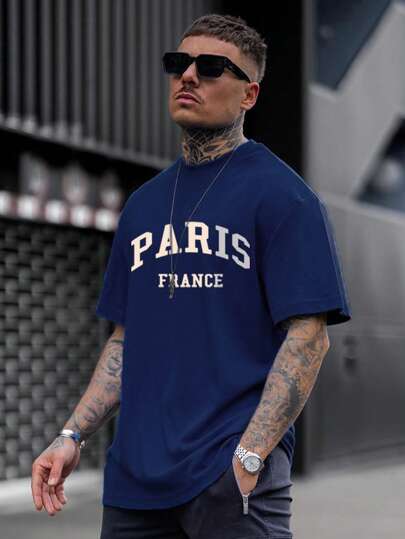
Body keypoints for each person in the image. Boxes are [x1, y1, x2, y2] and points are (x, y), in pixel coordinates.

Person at [31, 13, 352, 538]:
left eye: (210, 67)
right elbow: (124, 341)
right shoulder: (142, 206)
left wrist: (249, 457)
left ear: (249, 95)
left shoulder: (284, 197)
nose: (188, 76)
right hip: (134, 482)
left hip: (227, 479)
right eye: (179, 63)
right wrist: (72, 434)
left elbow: (309, 338)